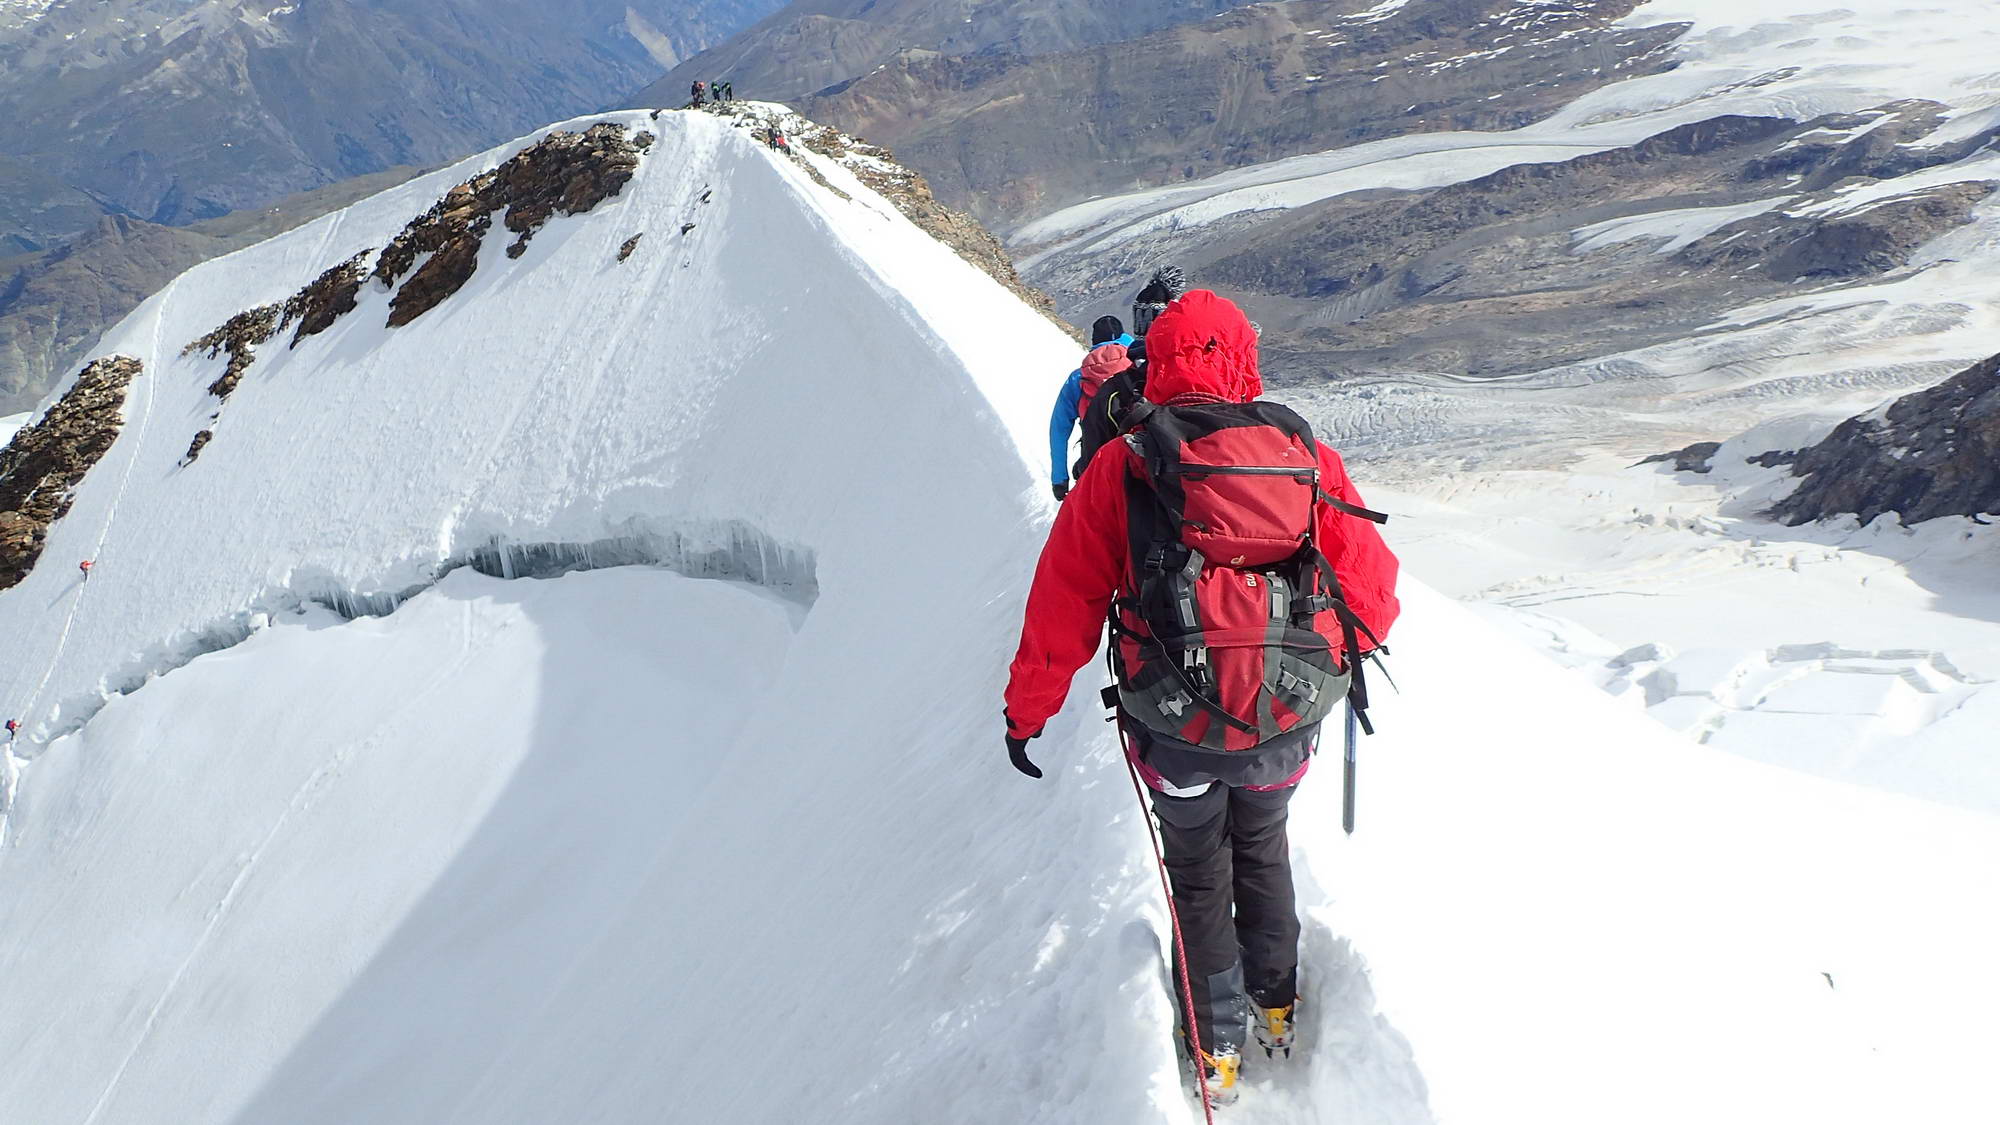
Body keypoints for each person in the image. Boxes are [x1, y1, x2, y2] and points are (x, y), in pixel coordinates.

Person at [1002, 290, 1400, 1106]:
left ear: (1163, 358)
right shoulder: (1302, 454)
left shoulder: (1125, 461)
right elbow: (1375, 592)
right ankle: (1277, 1003)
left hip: (1173, 726)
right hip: (1286, 724)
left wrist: (1026, 714)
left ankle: (1216, 1042)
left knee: (1196, 871)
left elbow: (1062, 604)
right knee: (1262, 850)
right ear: (1244, 360)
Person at [1047, 315, 1134, 502]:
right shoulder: (1138, 367)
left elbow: (1059, 430)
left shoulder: (1078, 379)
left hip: (1093, 463)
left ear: (1094, 342)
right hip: (1135, 460)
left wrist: (1059, 479)